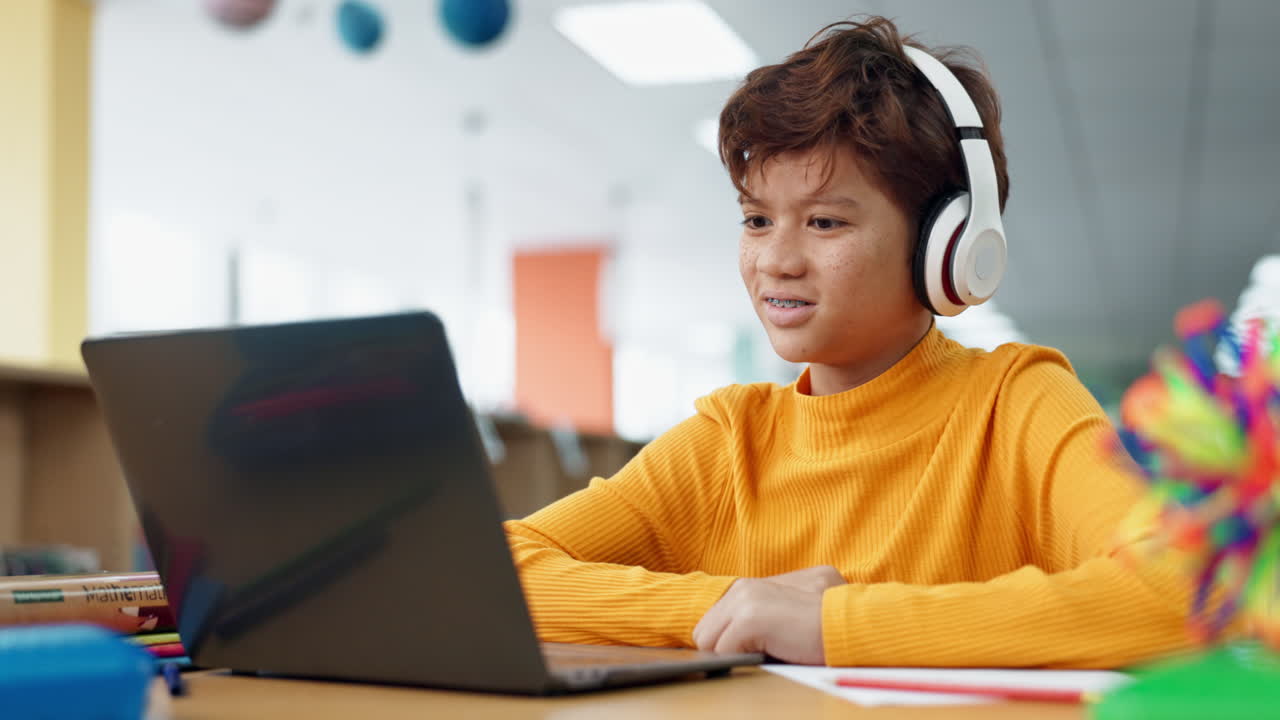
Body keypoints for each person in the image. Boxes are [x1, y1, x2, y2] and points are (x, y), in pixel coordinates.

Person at [503, 16, 1192, 668]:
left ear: (945, 246)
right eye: (756, 219)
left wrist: (836, 625)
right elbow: (499, 568)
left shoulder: (1016, 404)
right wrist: (727, 605)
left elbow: (1181, 588)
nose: (777, 259)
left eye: (825, 223)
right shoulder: (727, 441)